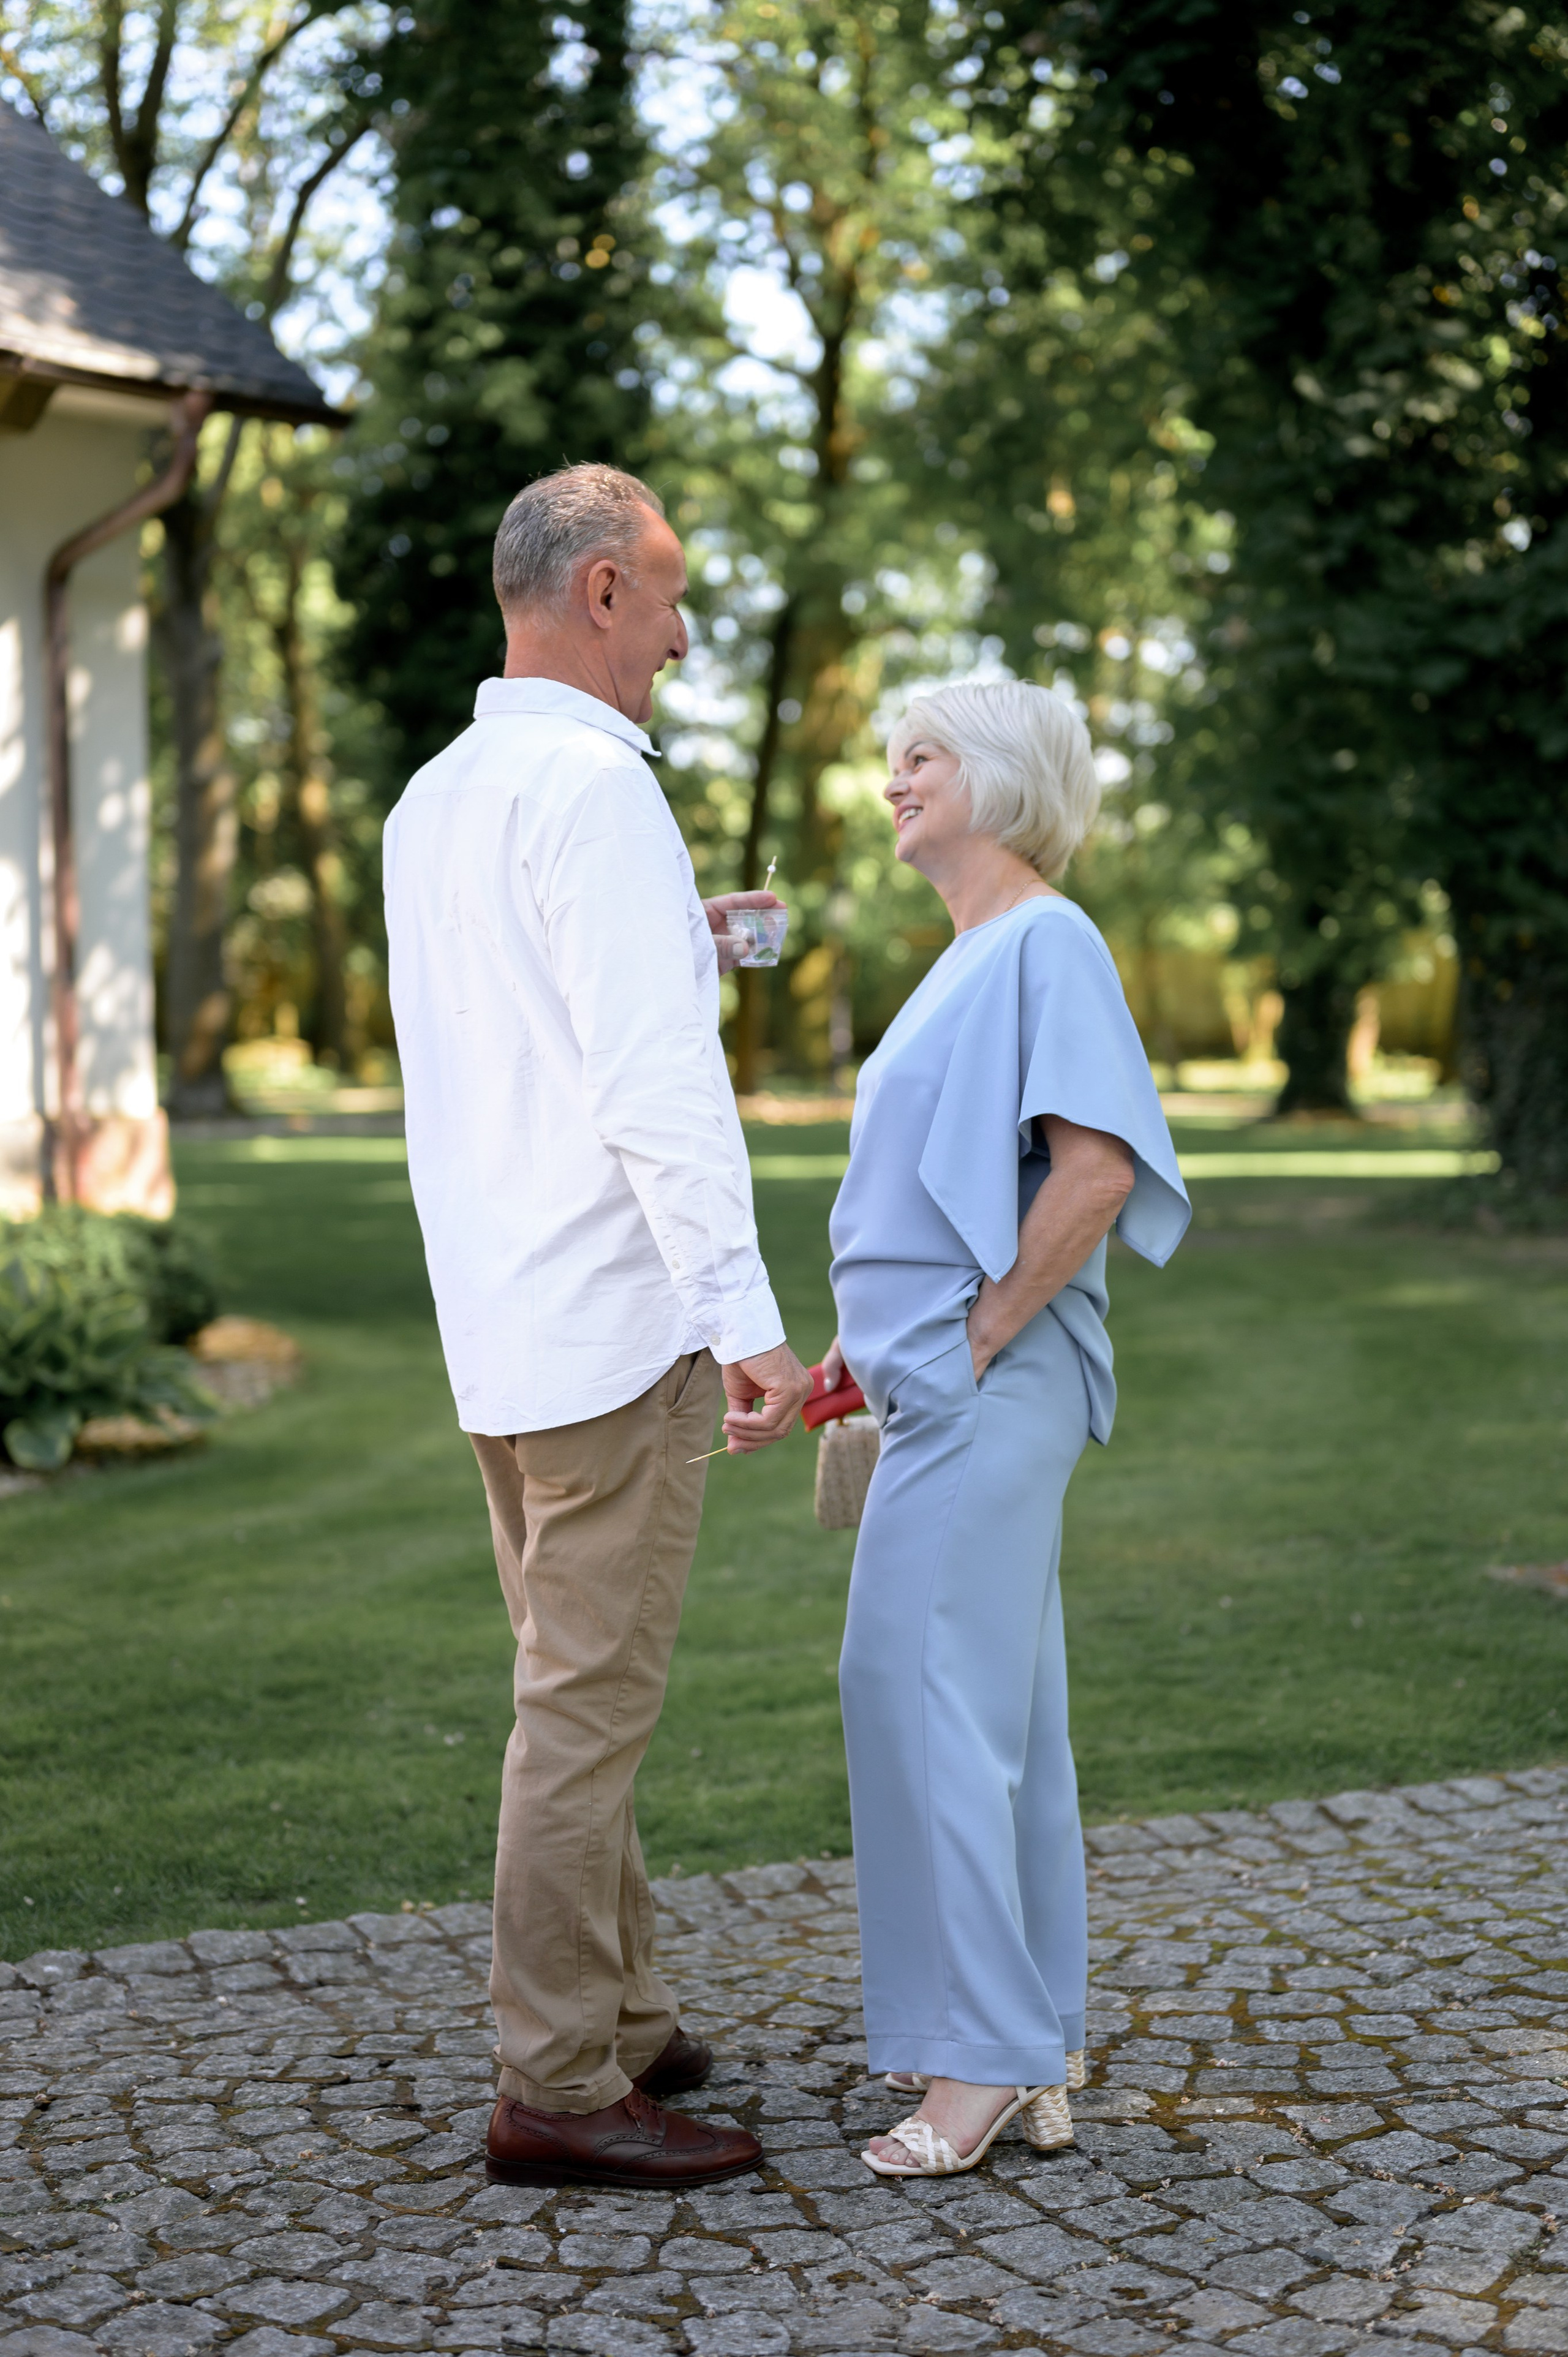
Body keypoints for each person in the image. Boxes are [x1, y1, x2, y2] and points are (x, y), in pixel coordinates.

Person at [383, 462, 812, 2190]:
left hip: (501, 1323)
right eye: (673, 593)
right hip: (612, 1330)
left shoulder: (439, 797)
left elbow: (516, 1036)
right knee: (584, 1713)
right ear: (601, 597)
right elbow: (656, 1098)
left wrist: (678, 944)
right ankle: (556, 2080)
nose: (689, 632)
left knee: (577, 1691)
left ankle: (623, 2016)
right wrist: (751, 1329)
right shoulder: (603, 795)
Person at [818, 678, 1190, 2179]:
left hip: (985, 1389)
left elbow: (1093, 1171)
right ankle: (1022, 2039)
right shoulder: (974, 950)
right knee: (986, 1710)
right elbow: (950, 1176)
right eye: (892, 757)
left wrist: (974, 1331)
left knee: (917, 1692)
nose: (893, 779)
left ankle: (974, 2060)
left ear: (1001, 779)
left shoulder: (1045, 935)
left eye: (923, 757)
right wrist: (864, 1340)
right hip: (934, 1386)